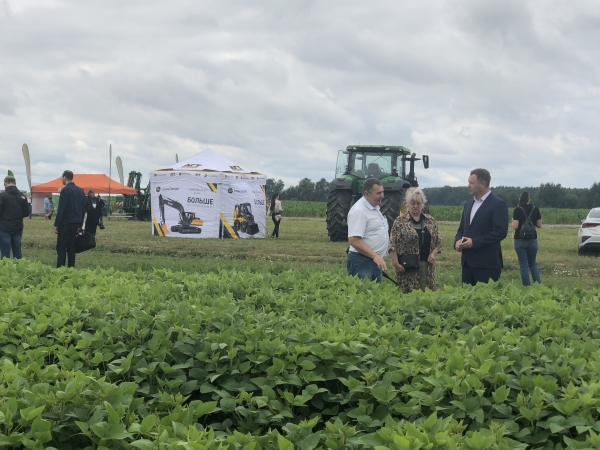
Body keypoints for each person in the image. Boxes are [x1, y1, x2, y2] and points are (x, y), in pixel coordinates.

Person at [455, 168, 508, 285]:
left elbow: (500, 232)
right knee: (467, 301)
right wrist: (457, 241)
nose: (468, 185)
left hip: (487, 265)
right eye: (468, 182)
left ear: (483, 184)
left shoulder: (498, 204)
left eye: (471, 183)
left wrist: (474, 242)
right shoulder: (468, 204)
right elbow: (462, 229)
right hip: (467, 264)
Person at [390, 188, 442, 293]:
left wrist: (433, 254)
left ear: (422, 204)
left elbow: (438, 242)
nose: (415, 206)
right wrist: (396, 264)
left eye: (418, 203)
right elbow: (393, 245)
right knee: (409, 297)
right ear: (407, 204)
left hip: (426, 267)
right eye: (412, 203)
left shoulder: (430, 220)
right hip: (408, 268)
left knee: (427, 296)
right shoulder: (400, 222)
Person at [347, 178, 388, 283]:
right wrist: (375, 256)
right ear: (366, 194)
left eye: (382, 192)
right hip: (361, 262)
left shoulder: (375, 207)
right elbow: (354, 240)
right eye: (378, 193)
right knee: (363, 296)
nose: (382, 196)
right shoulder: (359, 211)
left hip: (374, 261)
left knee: (375, 297)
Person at [54, 170, 85, 268]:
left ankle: (60, 269)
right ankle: (71, 268)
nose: (61, 180)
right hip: (76, 222)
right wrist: (80, 224)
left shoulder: (65, 190)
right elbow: (83, 209)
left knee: (62, 247)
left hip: (65, 223)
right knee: (72, 247)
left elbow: (61, 208)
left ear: (65, 177)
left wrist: (57, 224)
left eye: (61, 178)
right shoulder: (81, 191)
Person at [512, 191, 542, 286]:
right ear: (529, 199)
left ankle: (526, 286)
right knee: (532, 263)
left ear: (520, 199)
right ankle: (538, 285)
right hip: (532, 239)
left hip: (520, 240)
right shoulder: (535, 209)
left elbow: (515, 227)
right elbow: (539, 225)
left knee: (523, 264)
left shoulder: (517, 210)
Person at [0, 176, 30, 259]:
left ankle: (6, 270)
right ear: (15, 183)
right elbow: (26, 213)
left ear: (5, 183)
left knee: (5, 253)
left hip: (4, 227)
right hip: (18, 227)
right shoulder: (22, 196)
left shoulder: (2, 195)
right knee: (17, 252)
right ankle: (19, 269)